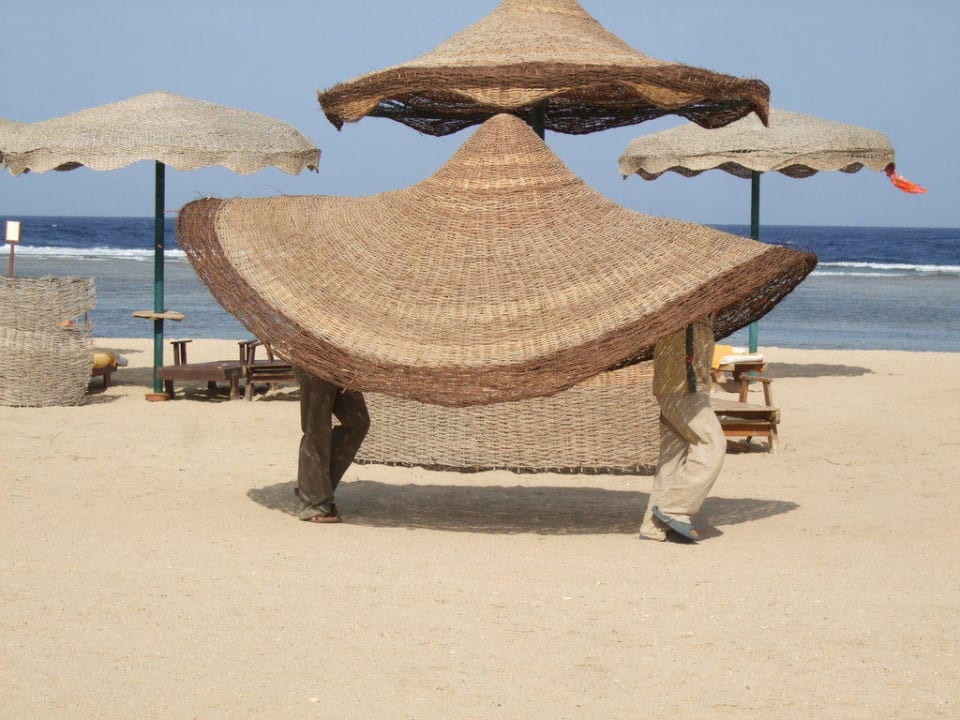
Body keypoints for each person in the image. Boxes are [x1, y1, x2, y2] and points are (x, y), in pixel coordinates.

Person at [639, 315, 725, 543]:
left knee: (673, 457)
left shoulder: (680, 307)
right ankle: (675, 509)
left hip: (672, 385)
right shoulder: (689, 305)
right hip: (684, 385)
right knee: (712, 443)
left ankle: (653, 526)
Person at [293, 367, 370, 524]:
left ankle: (313, 487)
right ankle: (313, 502)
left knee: (358, 422)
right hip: (313, 363)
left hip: (339, 363)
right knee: (317, 428)